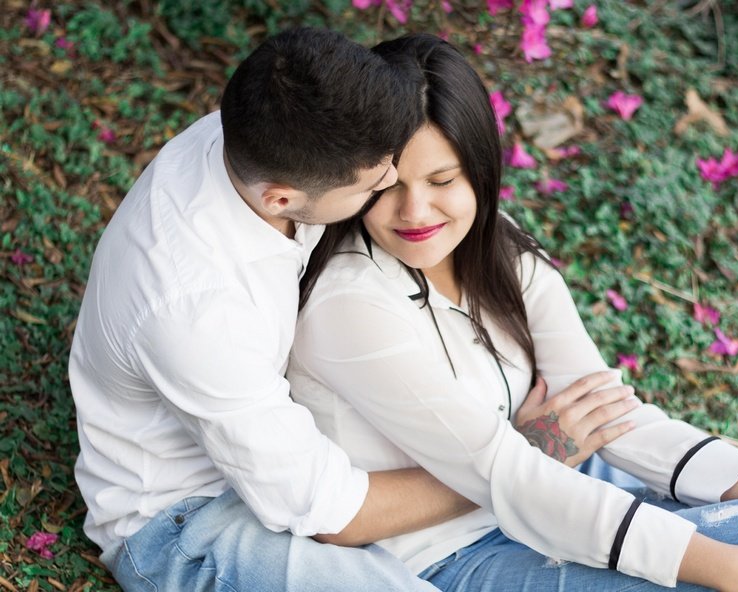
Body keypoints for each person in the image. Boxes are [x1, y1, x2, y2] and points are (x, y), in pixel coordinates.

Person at [288, 33, 738, 592]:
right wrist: (732, 568)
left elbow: (606, 411)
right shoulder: (352, 303)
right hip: (450, 557)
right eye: (390, 185)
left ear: (482, 170)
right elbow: (513, 473)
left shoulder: (492, 245)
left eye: (443, 181)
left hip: (537, 499)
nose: (416, 214)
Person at [68, 27, 634, 592]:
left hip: (291, 449)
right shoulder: (196, 310)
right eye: (377, 183)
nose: (396, 183)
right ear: (284, 200)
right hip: (191, 516)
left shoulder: (272, 126)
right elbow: (330, 509)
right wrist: (520, 458)